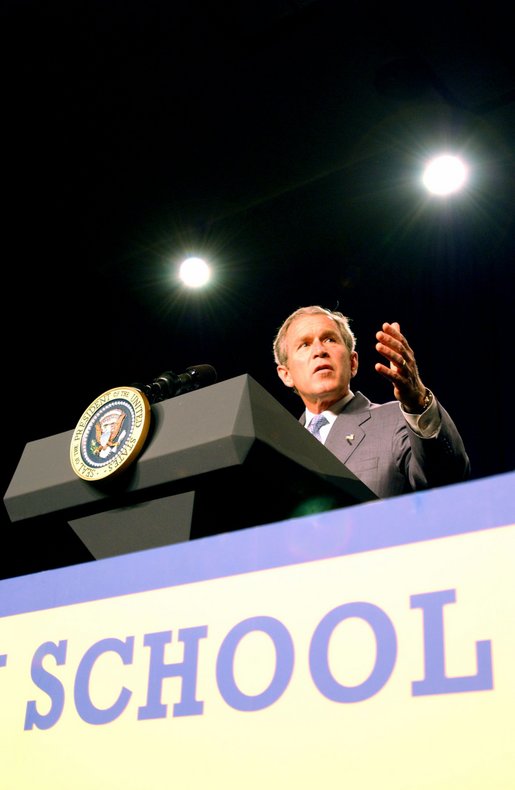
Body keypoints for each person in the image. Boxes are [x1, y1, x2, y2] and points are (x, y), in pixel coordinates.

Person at [272, 305, 470, 499]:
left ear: (353, 363)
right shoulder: (277, 451)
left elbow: (447, 481)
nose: (319, 350)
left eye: (330, 339)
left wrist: (418, 401)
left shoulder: (398, 420)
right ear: (286, 374)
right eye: (304, 344)